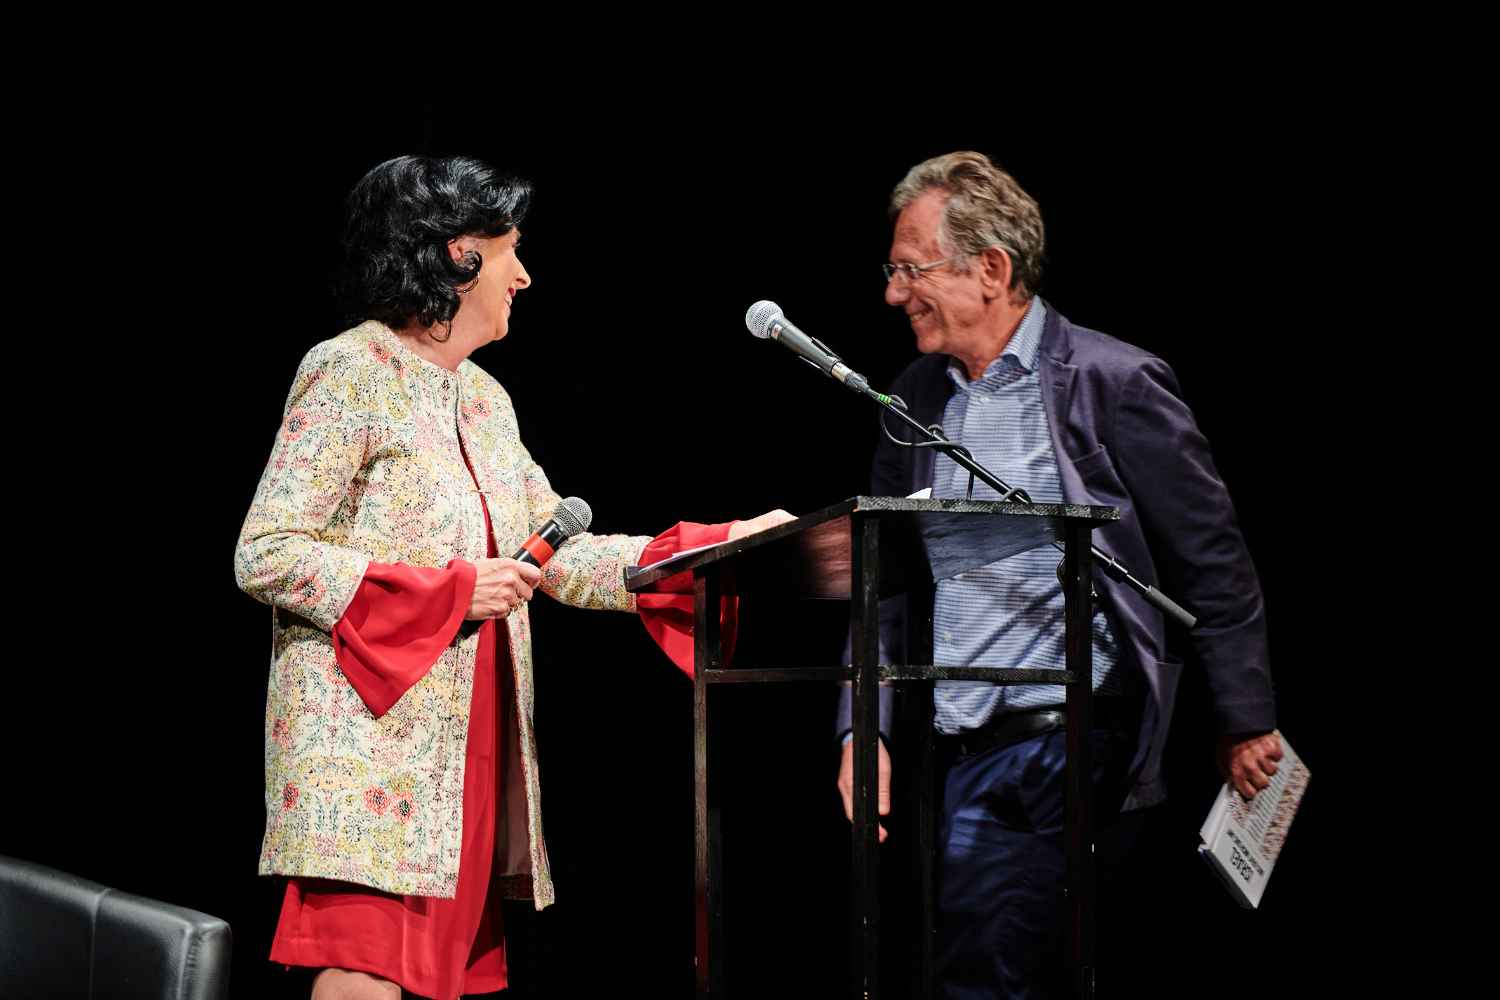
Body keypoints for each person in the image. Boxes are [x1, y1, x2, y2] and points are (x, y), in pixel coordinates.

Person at [235, 154, 788, 1000]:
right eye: (510, 251)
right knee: (366, 972)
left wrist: (717, 547)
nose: (523, 276)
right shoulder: (348, 370)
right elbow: (267, 551)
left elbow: (558, 556)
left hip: (469, 744)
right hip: (370, 751)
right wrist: (449, 591)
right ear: (458, 256)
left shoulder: (486, 400)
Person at [832, 151, 1283, 999]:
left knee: (984, 976)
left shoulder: (1113, 383)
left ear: (991, 270)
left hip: (1069, 740)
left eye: (912, 270)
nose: (894, 294)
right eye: (892, 272)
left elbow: (1212, 559)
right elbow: (883, 585)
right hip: (952, 750)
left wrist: (1246, 718)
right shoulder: (913, 401)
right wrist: (865, 730)